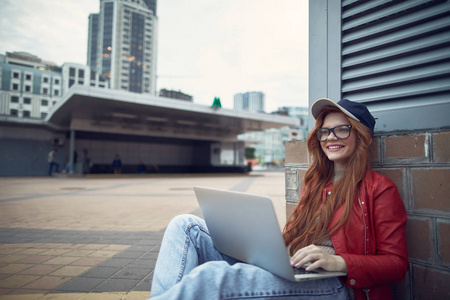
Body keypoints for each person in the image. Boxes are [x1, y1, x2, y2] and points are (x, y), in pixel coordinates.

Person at [149, 98, 408, 300]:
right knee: (184, 224)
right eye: (325, 132)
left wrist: (336, 261)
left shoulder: (379, 189)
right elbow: (296, 236)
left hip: (334, 285)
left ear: (363, 136)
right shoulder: (316, 183)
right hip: (292, 269)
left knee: (210, 277)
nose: (330, 138)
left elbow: (396, 264)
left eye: (342, 130)